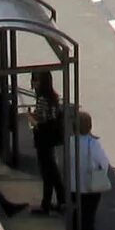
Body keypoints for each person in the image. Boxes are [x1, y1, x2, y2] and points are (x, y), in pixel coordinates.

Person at [68, 111, 113, 230]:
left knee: (75, 215)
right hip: (90, 187)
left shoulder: (70, 142)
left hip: (74, 185)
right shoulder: (92, 144)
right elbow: (103, 163)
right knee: (88, 218)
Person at [30, 71, 67, 214]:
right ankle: (61, 200)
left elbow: (40, 121)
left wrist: (30, 117)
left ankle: (46, 204)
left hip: (43, 139)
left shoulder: (42, 99)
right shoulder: (53, 97)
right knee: (53, 170)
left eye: (35, 80)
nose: (33, 83)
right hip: (51, 138)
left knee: (47, 172)